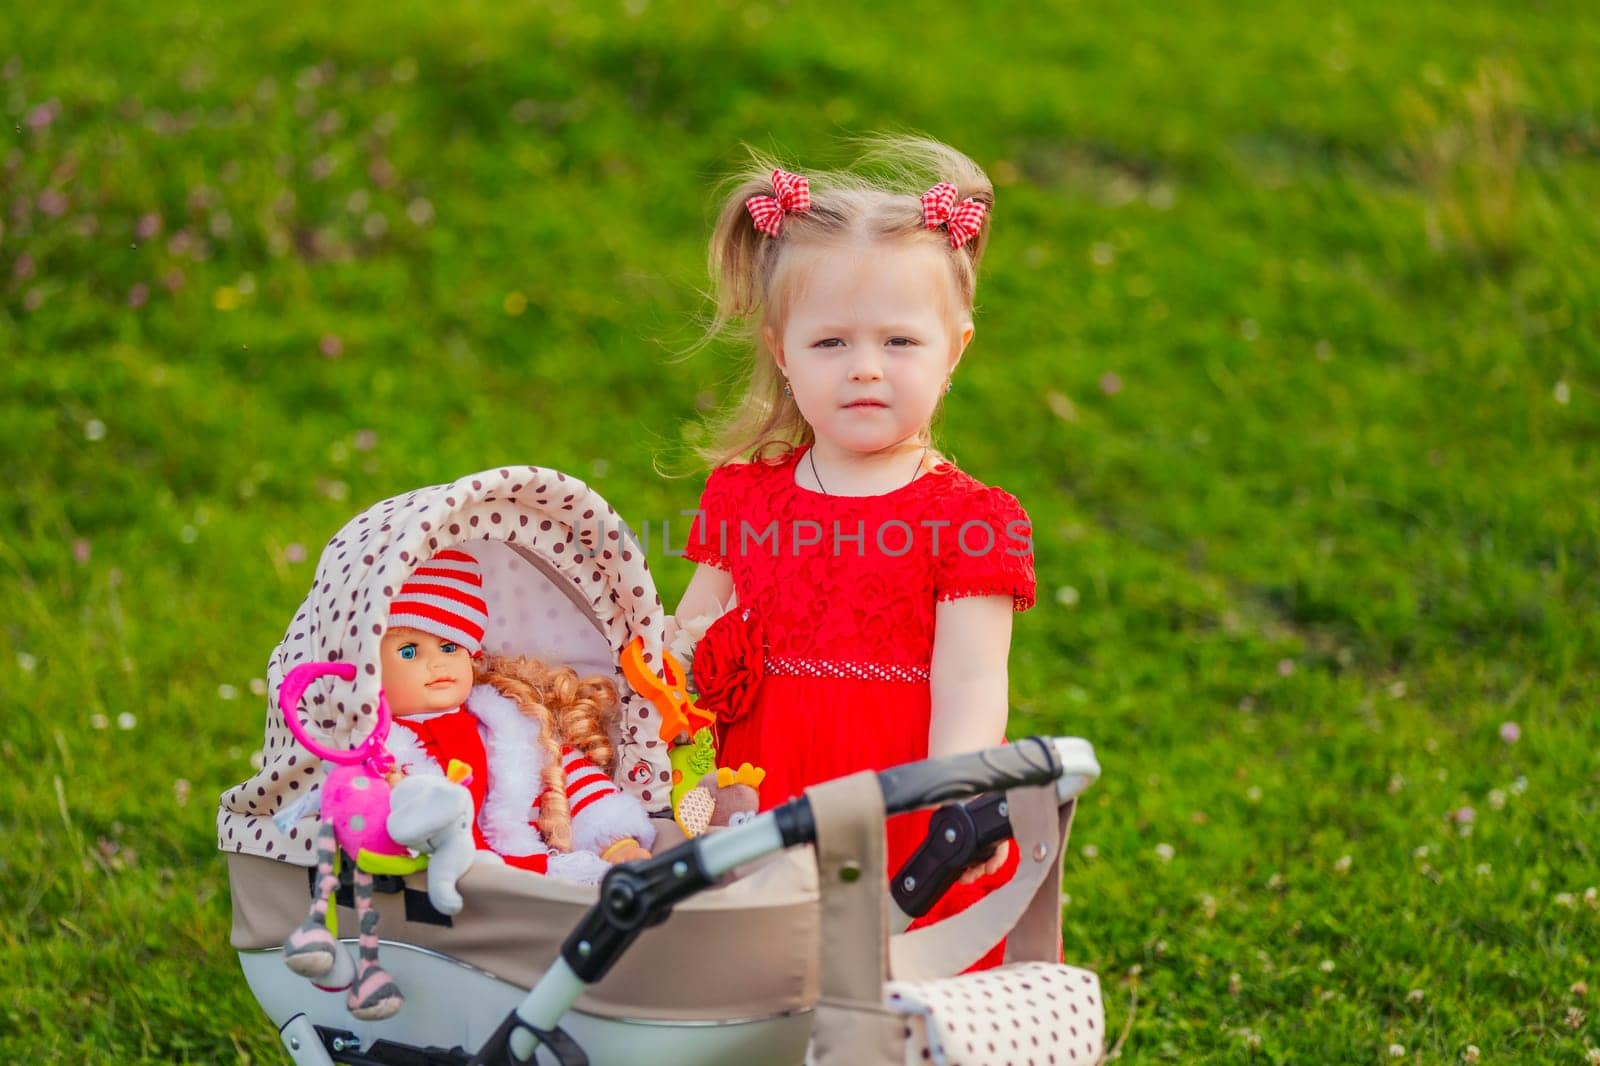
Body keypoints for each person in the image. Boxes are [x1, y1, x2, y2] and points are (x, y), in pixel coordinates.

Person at [674, 137, 1036, 969]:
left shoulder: (969, 518)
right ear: (782, 353)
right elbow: (692, 638)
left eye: (900, 344)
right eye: (831, 343)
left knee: (880, 992)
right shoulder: (746, 495)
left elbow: (973, 681)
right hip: (758, 789)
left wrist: (961, 795)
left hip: (896, 799)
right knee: (752, 981)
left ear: (956, 352)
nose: (865, 369)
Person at [381, 549, 655, 882]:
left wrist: (614, 841)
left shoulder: (506, 727)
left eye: (450, 647)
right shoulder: (382, 749)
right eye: (409, 652)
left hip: (526, 873)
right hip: (431, 881)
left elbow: (568, 777)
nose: (437, 663)